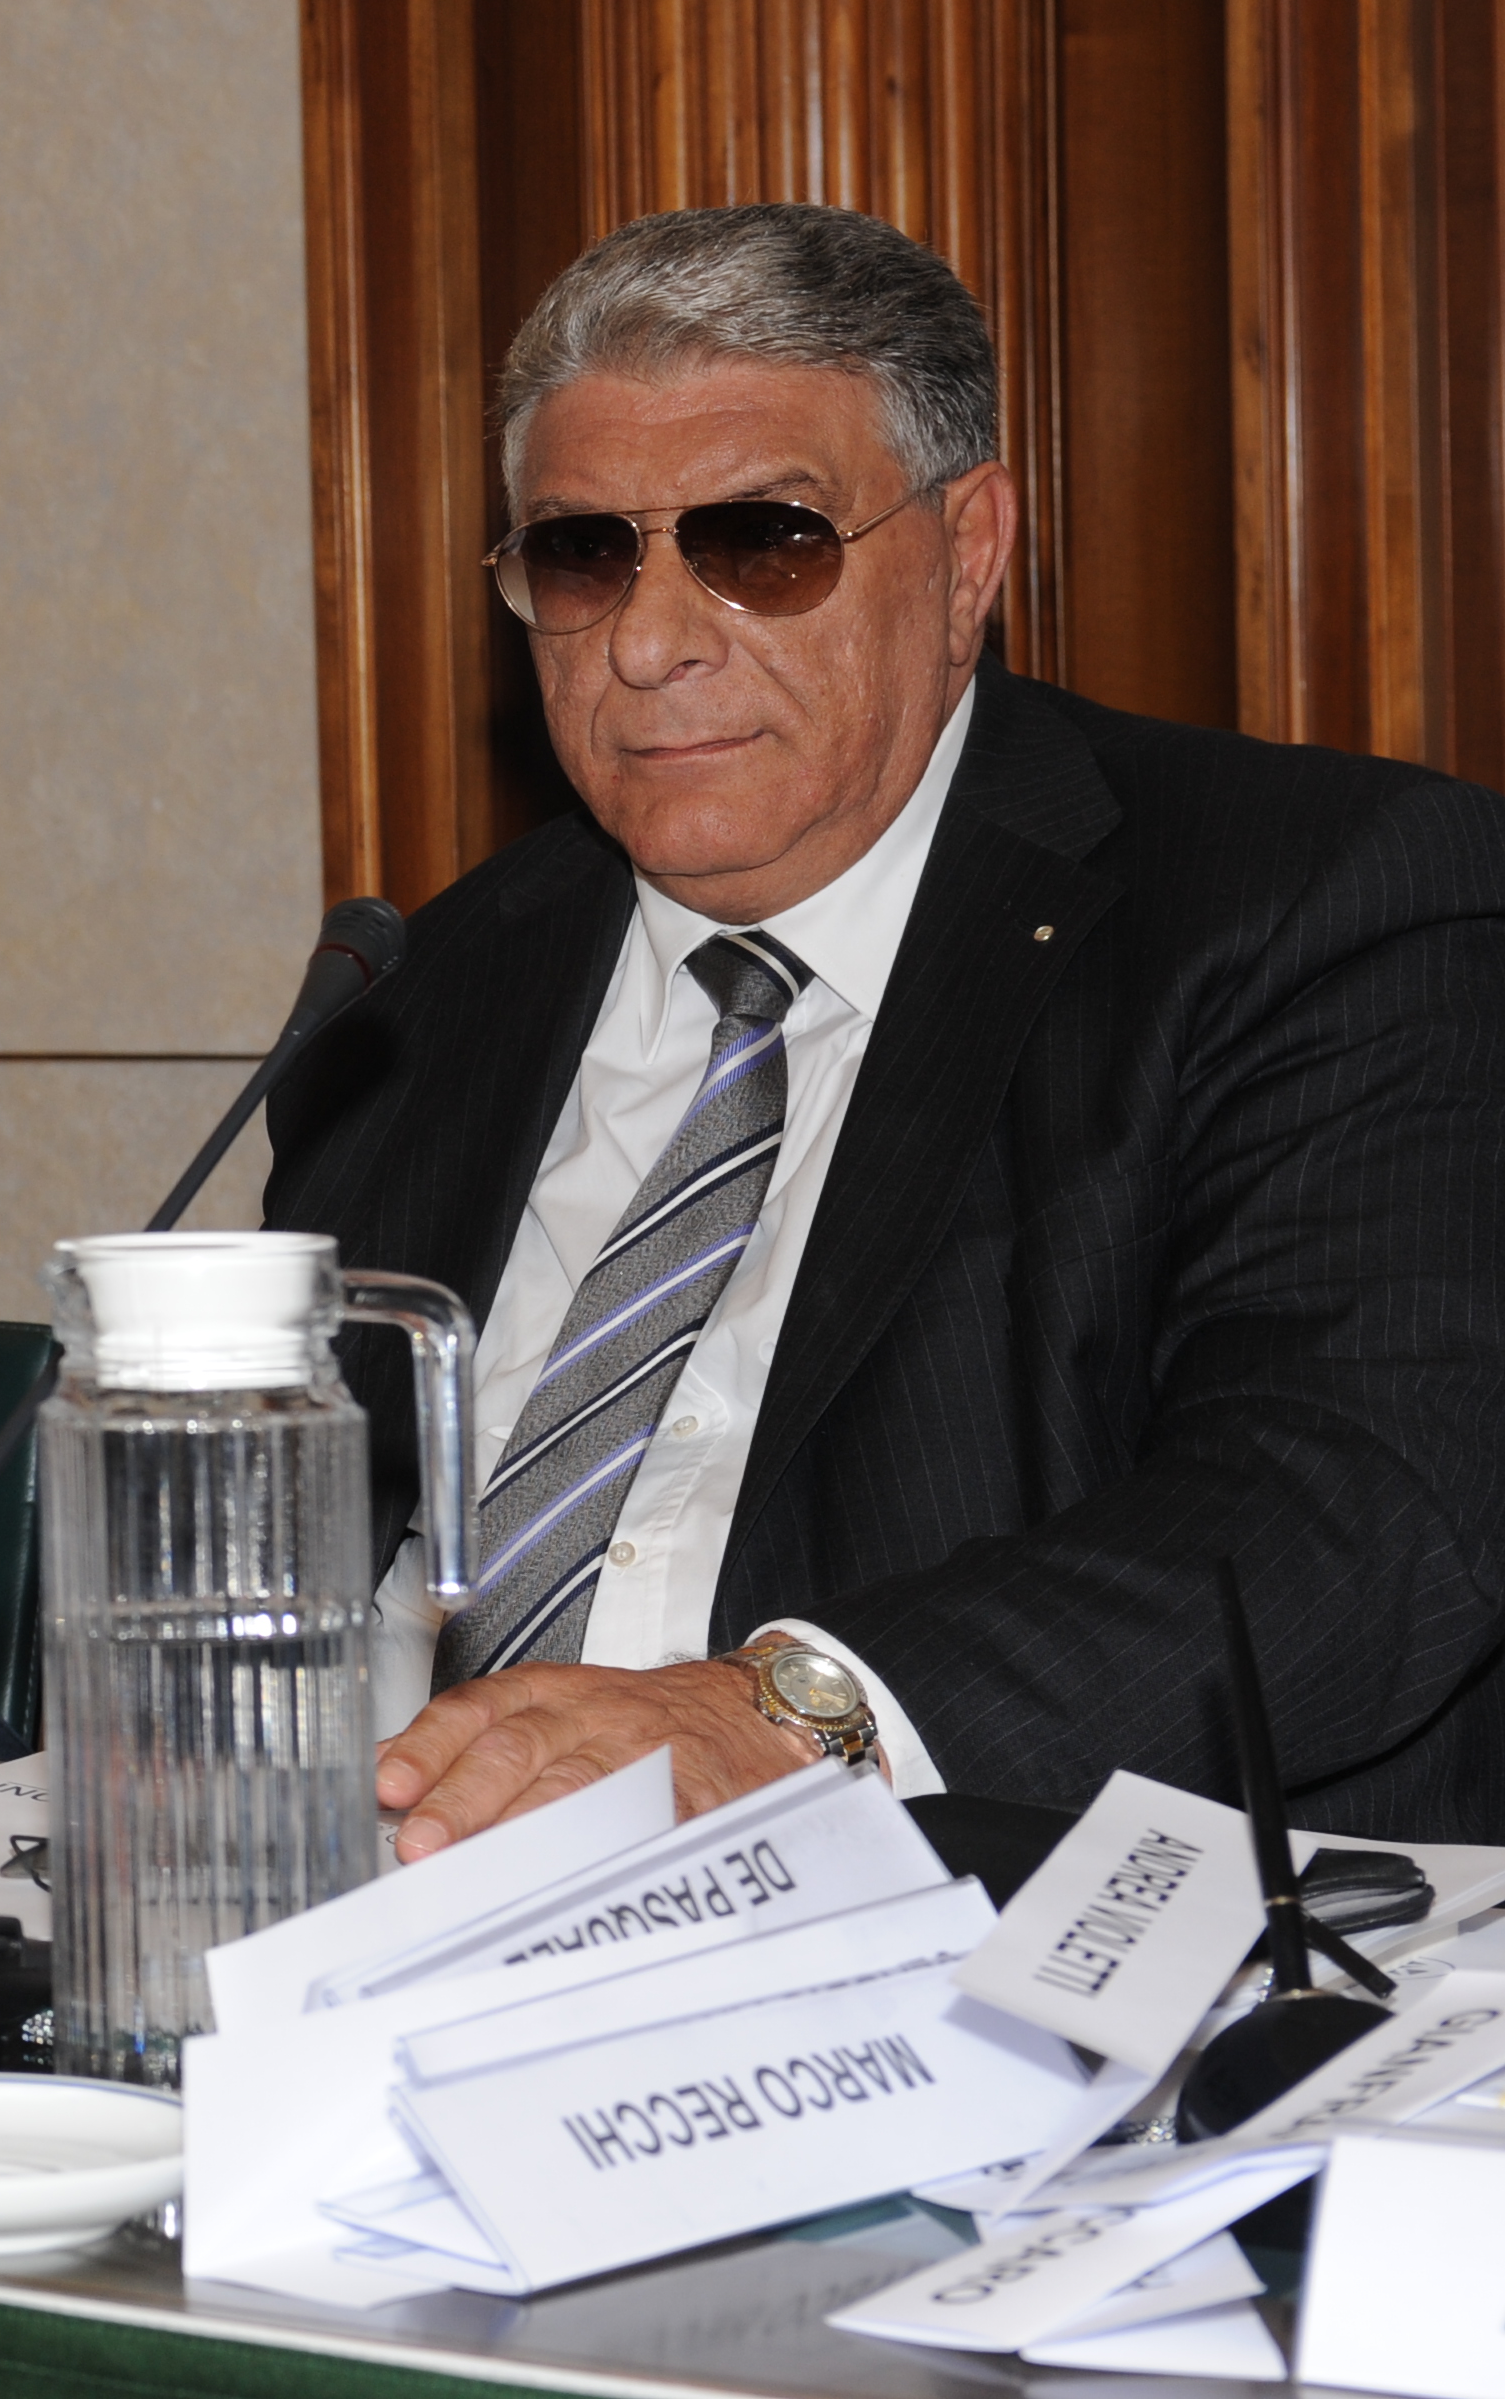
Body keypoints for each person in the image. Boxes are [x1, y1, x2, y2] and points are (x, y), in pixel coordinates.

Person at [268, 203, 1505, 1855]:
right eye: (582, 554)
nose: (646, 639)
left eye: (761, 543)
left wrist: (778, 1719)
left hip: (1009, 1920)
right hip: (374, 1888)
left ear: (969, 550)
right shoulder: (423, 989)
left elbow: (1360, 1509)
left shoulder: (1317, 905)